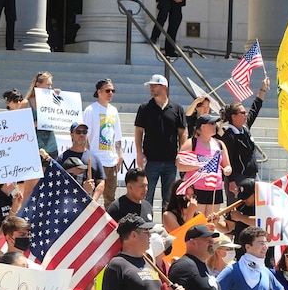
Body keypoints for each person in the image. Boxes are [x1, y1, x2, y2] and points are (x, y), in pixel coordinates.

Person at [134, 74, 187, 207]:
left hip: (171, 161)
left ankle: (169, 224)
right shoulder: (144, 108)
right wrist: (139, 153)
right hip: (151, 160)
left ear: (164, 87)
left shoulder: (177, 108)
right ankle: (145, 224)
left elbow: (182, 132)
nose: (151, 88)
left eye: (154, 86)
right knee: (147, 195)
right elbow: (139, 131)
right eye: (150, 86)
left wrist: (181, 153)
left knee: (169, 198)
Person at [221, 78, 270, 202]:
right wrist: (231, 181)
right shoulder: (229, 136)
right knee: (236, 209)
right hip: (238, 178)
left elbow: (255, 108)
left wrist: (263, 89)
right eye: (242, 113)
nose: (246, 114)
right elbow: (228, 161)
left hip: (252, 176)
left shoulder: (245, 129)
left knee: (255, 207)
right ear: (233, 116)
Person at [176, 114, 232, 215]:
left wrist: (227, 170)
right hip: (196, 188)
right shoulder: (191, 143)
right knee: (197, 221)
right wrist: (200, 165)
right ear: (203, 126)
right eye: (211, 123)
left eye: (215, 123)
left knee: (211, 221)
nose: (215, 125)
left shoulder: (219, 144)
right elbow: (179, 165)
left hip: (215, 187)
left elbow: (227, 165)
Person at [82, 79, 124, 204]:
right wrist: (88, 156)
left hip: (111, 161)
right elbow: (85, 136)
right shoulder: (90, 110)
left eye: (113, 91)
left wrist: (120, 154)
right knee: (92, 196)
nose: (110, 93)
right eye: (107, 90)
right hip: (96, 160)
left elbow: (117, 136)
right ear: (99, 92)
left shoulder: (114, 110)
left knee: (110, 198)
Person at [59, 122, 105, 200]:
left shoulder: (94, 158)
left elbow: (101, 182)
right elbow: (57, 183)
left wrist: (93, 201)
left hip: (88, 207)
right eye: (78, 132)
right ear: (71, 135)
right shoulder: (62, 158)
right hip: (68, 205)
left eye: (84, 132)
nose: (82, 134)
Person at [25, 72, 60, 159]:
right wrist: (37, 123)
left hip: (51, 147)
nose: (50, 88)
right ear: (38, 84)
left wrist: (59, 97)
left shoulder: (52, 100)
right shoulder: (26, 103)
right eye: (47, 85)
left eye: (51, 85)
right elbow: (19, 126)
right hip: (34, 148)